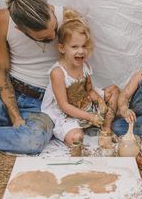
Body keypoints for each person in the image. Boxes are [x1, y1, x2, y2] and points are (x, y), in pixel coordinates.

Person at [0, 0, 118, 154]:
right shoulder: (5, 19)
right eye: (44, 38)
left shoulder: (68, 17)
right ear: (20, 29)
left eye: (54, 29)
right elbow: (0, 70)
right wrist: (16, 117)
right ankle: (4, 127)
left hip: (41, 102)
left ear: (48, 6)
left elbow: (80, 66)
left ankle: (0, 131)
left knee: (32, 141)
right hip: (6, 91)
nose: (53, 37)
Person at [41, 18, 119, 146]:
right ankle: (85, 125)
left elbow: (89, 90)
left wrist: (100, 101)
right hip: (67, 112)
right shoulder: (58, 73)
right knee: (76, 138)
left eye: (84, 46)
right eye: (74, 47)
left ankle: (106, 127)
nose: (81, 51)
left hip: (83, 103)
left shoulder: (84, 65)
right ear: (61, 48)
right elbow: (64, 106)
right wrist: (90, 117)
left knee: (114, 90)